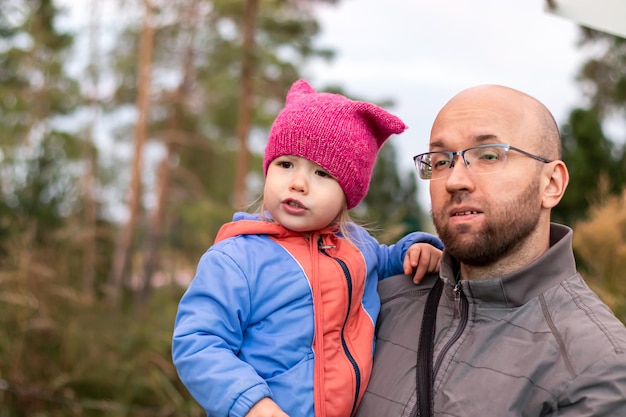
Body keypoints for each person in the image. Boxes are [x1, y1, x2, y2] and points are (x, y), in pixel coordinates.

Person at [172, 79, 444, 417]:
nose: (298, 183)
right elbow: (197, 341)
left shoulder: (359, 248)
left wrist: (418, 248)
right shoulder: (237, 258)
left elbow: (390, 260)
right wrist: (252, 404)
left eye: (321, 173)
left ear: (348, 192)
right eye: (285, 164)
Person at [355, 84, 626, 416]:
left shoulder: (595, 364)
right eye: (440, 161)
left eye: (488, 155)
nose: (455, 181)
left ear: (551, 184)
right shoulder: (378, 300)